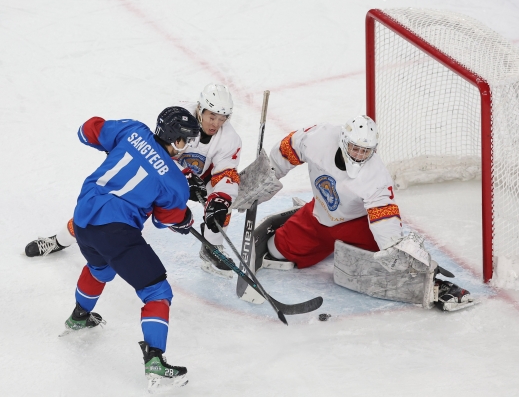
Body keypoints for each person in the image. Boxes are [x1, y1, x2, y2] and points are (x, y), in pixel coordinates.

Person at [24, 83, 242, 280]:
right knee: (110, 212)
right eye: (212, 116)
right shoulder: (180, 114)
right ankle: (59, 240)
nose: (216, 123)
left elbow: (226, 174)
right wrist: (182, 175)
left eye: (222, 119)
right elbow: (157, 149)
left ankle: (212, 247)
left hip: (200, 182)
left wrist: (218, 200)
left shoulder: (229, 139)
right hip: (164, 179)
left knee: (222, 206)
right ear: (200, 109)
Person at [257, 115, 474, 311]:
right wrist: (266, 176)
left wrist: (393, 248)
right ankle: (300, 223)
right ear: (344, 140)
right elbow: (289, 148)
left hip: (355, 225)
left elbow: (384, 217)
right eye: (355, 148)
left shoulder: (376, 176)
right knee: (275, 250)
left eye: (365, 150)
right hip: (318, 216)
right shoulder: (318, 138)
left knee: (389, 261)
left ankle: (436, 283)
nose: (360, 155)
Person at [63, 106, 198, 391]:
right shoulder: (175, 182)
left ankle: (79, 317)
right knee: (157, 292)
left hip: (84, 218)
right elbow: (166, 220)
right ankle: (156, 363)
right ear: (175, 138)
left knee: (100, 267)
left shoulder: (132, 130)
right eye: (185, 140)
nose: (187, 147)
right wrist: (185, 217)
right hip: (116, 230)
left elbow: (87, 130)